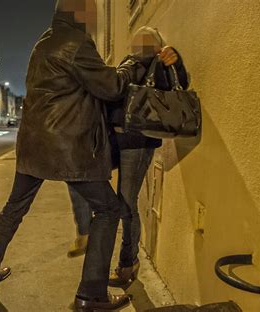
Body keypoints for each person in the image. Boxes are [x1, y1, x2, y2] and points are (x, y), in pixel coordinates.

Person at [0, 0, 153, 310]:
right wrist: (130, 65)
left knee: (14, 208)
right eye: (92, 11)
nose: (96, 18)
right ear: (78, 12)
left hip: (33, 145)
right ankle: (92, 294)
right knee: (109, 210)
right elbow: (111, 87)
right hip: (67, 147)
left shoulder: (44, 41)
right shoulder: (77, 43)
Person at [66, 27, 189, 287]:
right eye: (137, 42)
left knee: (126, 202)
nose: (139, 46)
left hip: (137, 142)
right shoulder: (127, 64)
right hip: (115, 141)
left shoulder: (160, 63)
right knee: (79, 172)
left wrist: (175, 61)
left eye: (146, 43)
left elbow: (181, 85)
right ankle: (86, 230)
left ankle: (127, 262)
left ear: (157, 46)